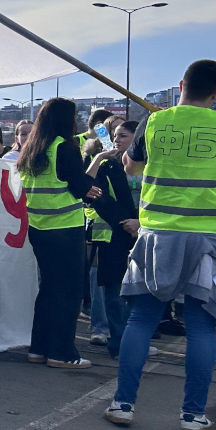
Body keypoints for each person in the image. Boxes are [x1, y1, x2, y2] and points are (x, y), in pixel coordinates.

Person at [107, 61, 216, 430]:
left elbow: (130, 168)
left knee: (142, 318)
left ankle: (123, 404)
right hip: (210, 238)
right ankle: (193, 414)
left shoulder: (154, 121)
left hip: (158, 235)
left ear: (180, 85)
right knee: (201, 326)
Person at [17, 98, 106, 370]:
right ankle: (61, 353)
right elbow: (79, 187)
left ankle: (39, 348)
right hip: (65, 228)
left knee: (49, 290)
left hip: (38, 228)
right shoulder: (64, 147)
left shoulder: (32, 148)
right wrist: (95, 169)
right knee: (68, 293)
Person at [83, 120, 143, 357]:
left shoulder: (150, 164)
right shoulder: (107, 164)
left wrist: (141, 222)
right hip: (114, 234)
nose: (116, 140)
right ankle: (118, 342)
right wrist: (126, 222)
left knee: (140, 292)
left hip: (144, 232)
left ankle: (136, 340)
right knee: (114, 292)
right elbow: (94, 194)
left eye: (123, 136)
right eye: (115, 135)